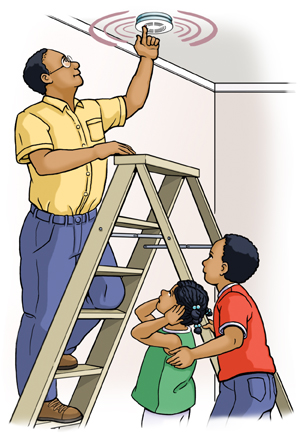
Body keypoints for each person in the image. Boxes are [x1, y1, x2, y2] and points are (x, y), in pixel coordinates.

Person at [15, 25, 159, 423]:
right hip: (51, 229)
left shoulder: (89, 110)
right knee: (41, 315)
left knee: (110, 294)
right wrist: (102, 148)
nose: (74, 64)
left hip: (92, 224)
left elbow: (132, 102)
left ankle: (61, 347)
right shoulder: (33, 117)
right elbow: (45, 163)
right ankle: (41, 400)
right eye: (64, 63)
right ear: (47, 78)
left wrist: (146, 59)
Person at [167, 234, 277, 424]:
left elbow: (233, 339)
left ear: (224, 268)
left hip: (248, 382)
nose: (204, 261)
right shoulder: (230, 297)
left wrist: (192, 354)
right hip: (238, 382)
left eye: (211, 256)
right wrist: (216, 327)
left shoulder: (232, 298)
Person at [131, 280, 211, 428]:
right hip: (176, 403)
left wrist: (166, 317)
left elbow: (137, 333)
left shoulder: (173, 340)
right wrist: (163, 303)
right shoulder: (168, 329)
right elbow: (140, 313)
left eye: (169, 293)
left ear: (178, 309)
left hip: (164, 406)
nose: (162, 292)